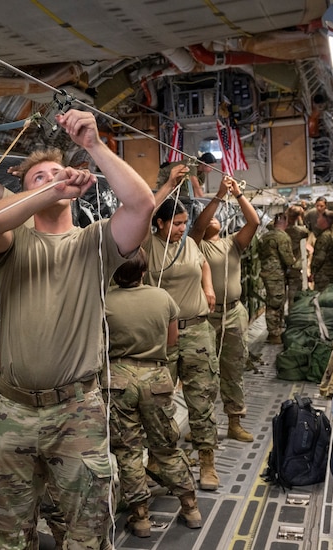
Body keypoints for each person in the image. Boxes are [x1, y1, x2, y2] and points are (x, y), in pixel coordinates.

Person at [0, 109, 155, 549]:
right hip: (13, 411)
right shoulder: (14, 245)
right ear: (25, 193)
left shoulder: (94, 243)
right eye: (39, 178)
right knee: (7, 534)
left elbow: (142, 205)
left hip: (77, 410)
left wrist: (93, 144)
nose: (54, 179)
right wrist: (53, 185)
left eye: (59, 173)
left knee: (85, 533)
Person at [103, 249, 202, 537]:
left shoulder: (104, 301)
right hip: (156, 378)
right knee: (166, 447)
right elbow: (172, 341)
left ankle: (141, 517)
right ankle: (190, 506)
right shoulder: (163, 298)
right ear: (144, 270)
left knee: (128, 451)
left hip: (118, 380)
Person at [146, 190, 220, 492]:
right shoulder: (145, 245)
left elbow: (202, 263)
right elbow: (140, 212)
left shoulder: (189, 243)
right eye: (176, 223)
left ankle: (206, 461)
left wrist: (208, 286)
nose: (182, 228)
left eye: (184, 222)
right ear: (159, 223)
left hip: (198, 331)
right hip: (162, 336)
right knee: (158, 403)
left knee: (201, 400)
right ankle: (160, 459)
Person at [189, 176, 259, 443]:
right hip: (208, 315)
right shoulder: (196, 244)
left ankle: (234, 421)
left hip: (234, 312)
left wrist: (239, 194)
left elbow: (253, 222)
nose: (213, 220)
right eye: (209, 219)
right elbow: (197, 226)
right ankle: (202, 425)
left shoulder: (233, 243)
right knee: (204, 372)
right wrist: (218, 196)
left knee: (233, 367)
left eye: (217, 217)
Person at [257, 213, 297, 345]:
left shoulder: (265, 236)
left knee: (272, 301)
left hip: (267, 273)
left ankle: (275, 331)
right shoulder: (282, 237)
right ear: (284, 223)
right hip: (276, 275)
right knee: (275, 304)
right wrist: (295, 261)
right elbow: (288, 259)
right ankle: (274, 334)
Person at [310, 209, 333, 291]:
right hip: (330, 272)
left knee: (319, 298)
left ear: (324, 221)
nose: (317, 220)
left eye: (319, 218)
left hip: (322, 275)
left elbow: (319, 257)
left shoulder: (324, 237)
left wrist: (313, 272)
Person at [284, 204, 309, 301]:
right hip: (294, 265)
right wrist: (300, 218)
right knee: (294, 292)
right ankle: (292, 312)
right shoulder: (299, 231)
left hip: (282, 265)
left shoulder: (281, 229)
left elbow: (270, 225)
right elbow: (306, 231)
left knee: (280, 293)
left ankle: (280, 314)